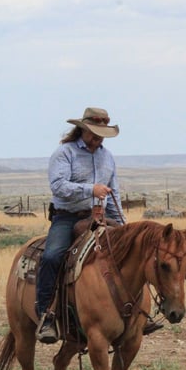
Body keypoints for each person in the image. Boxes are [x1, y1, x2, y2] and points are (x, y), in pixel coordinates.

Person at [35, 107, 126, 343]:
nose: (98, 137)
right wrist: (90, 189)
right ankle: (46, 314)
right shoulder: (65, 153)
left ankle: (132, 312)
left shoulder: (108, 158)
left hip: (100, 216)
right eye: (94, 132)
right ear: (82, 129)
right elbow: (58, 186)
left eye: (102, 133)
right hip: (67, 216)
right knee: (52, 256)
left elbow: (113, 192)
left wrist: (125, 228)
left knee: (130, 254)